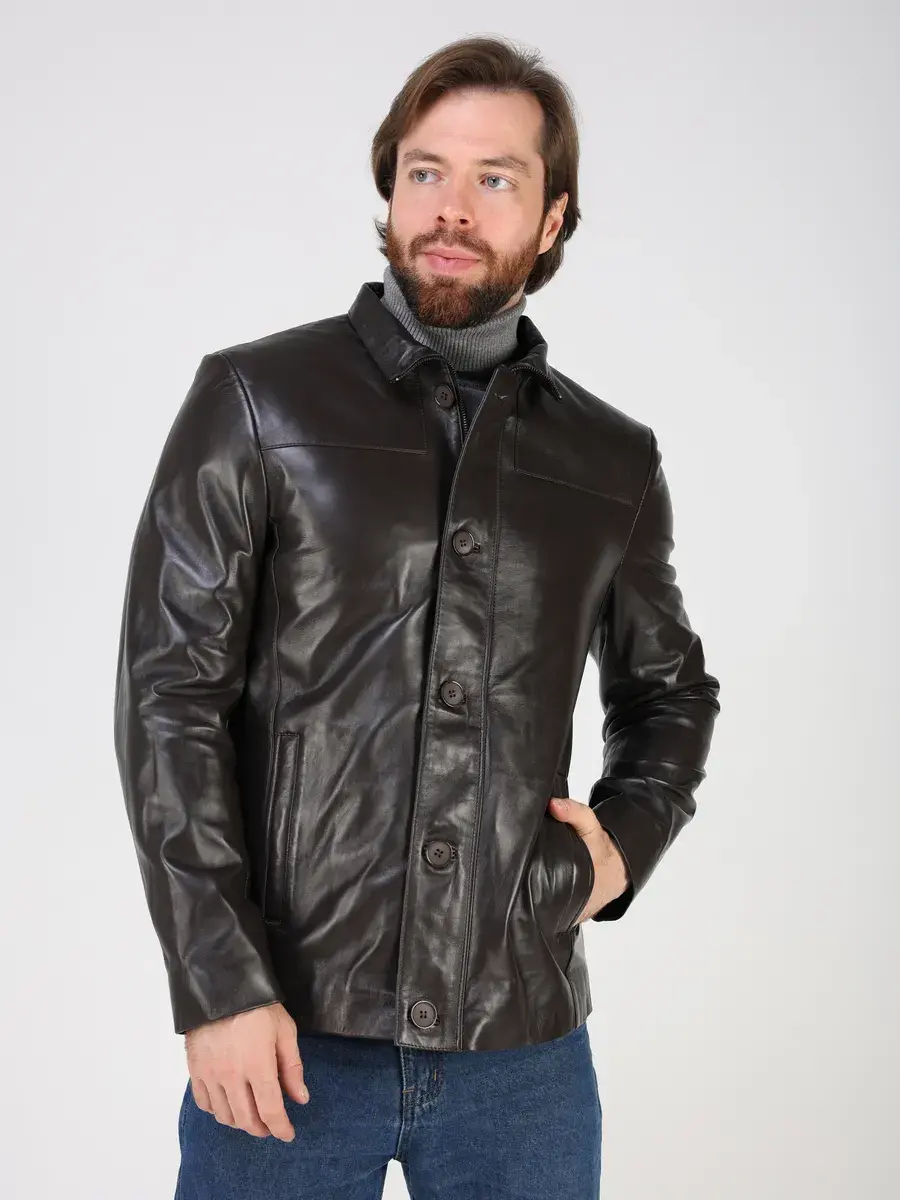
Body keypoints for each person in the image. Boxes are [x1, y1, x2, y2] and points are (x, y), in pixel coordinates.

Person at [113, 33, 721, 1199]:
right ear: (391, 187)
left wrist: (618, 849)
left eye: (496, 177)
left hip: (523, 1047)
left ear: (552, 219)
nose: (452, 207)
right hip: (283, 1034)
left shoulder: (611, 460)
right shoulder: (257, 402)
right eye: (426, 170)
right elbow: (168, 701)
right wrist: (219, 984)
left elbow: (671, 695)